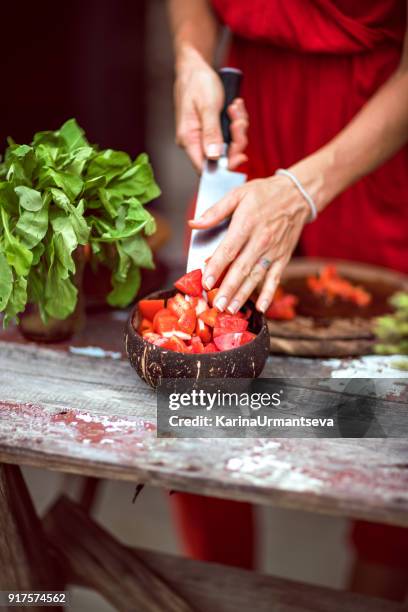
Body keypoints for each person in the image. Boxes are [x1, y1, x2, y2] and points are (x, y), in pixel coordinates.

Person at [167, 0, 408, 600]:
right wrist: (190, 57)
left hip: (376, 133)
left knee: (390, 408)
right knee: (198, 380)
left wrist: (303, 188)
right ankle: (216, 594)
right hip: (247, 111)